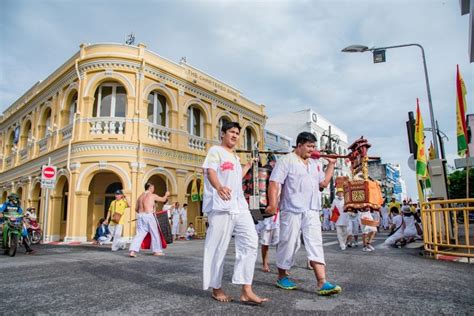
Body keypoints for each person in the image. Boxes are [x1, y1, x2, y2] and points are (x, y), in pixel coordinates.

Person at [267, 131, 341, 296]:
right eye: (309, 146)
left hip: (312, 210)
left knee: (315, 243)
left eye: (313, 146)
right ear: (299, 145)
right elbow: (274, 183)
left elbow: (323, 182)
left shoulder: (315, 163)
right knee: (289, 242)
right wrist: (273, 204)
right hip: (291, 210)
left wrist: (331, 164)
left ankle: (322, 282)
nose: (311, 149)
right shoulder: (286, 161)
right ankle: (282, 276)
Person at [202, 121, 268, 304]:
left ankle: (246, 289)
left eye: (237, 133)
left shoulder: (235, 157)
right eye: (231, 132)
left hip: (240, 206)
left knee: (251, 241)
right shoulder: (216, 151)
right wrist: (219, 187)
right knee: (218, 248)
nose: (235, 136)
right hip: (221, 206)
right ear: (222, 133)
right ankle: (216, 288)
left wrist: (248, 165)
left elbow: (236, 176)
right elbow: (210, 172)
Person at [129, 183, 170, 257]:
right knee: (155, 233)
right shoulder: (152, 195)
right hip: (148, 215)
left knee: (139, 234)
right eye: (153, 187)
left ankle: (132, 251)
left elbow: (136, 209)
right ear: (150, 187)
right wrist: (166, 194)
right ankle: (157, 251)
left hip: (140, 216)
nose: (154, 189)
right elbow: (163, 199)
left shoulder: (140, 197)